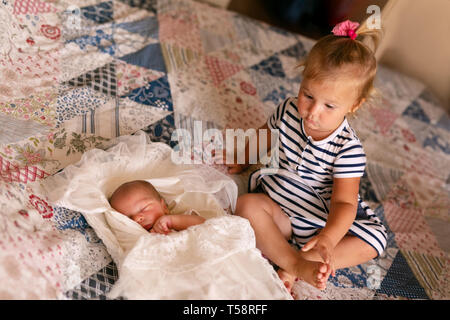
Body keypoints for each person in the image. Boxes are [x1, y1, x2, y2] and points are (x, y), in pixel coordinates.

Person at [223, 20, 387, 292]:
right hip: (279, 207)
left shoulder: (348, 149)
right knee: (247, 205)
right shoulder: (287, 110)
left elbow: (345, 203)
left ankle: (294, 265)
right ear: (301, 79)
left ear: (354, 105)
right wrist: (244, 159)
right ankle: (294, 263)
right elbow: (266, 135)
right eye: (308, 95)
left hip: (322, 218)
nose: (313, 112)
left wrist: (328, 239)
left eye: (329, 106)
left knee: (375, 239)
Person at [109, 180, 205, 234]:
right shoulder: (137, 237)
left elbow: (206, 225)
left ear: (164, 207)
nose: (137, 218)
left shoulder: (181, 219)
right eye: (128, 218)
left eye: (144, 208)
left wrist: (172, 221)